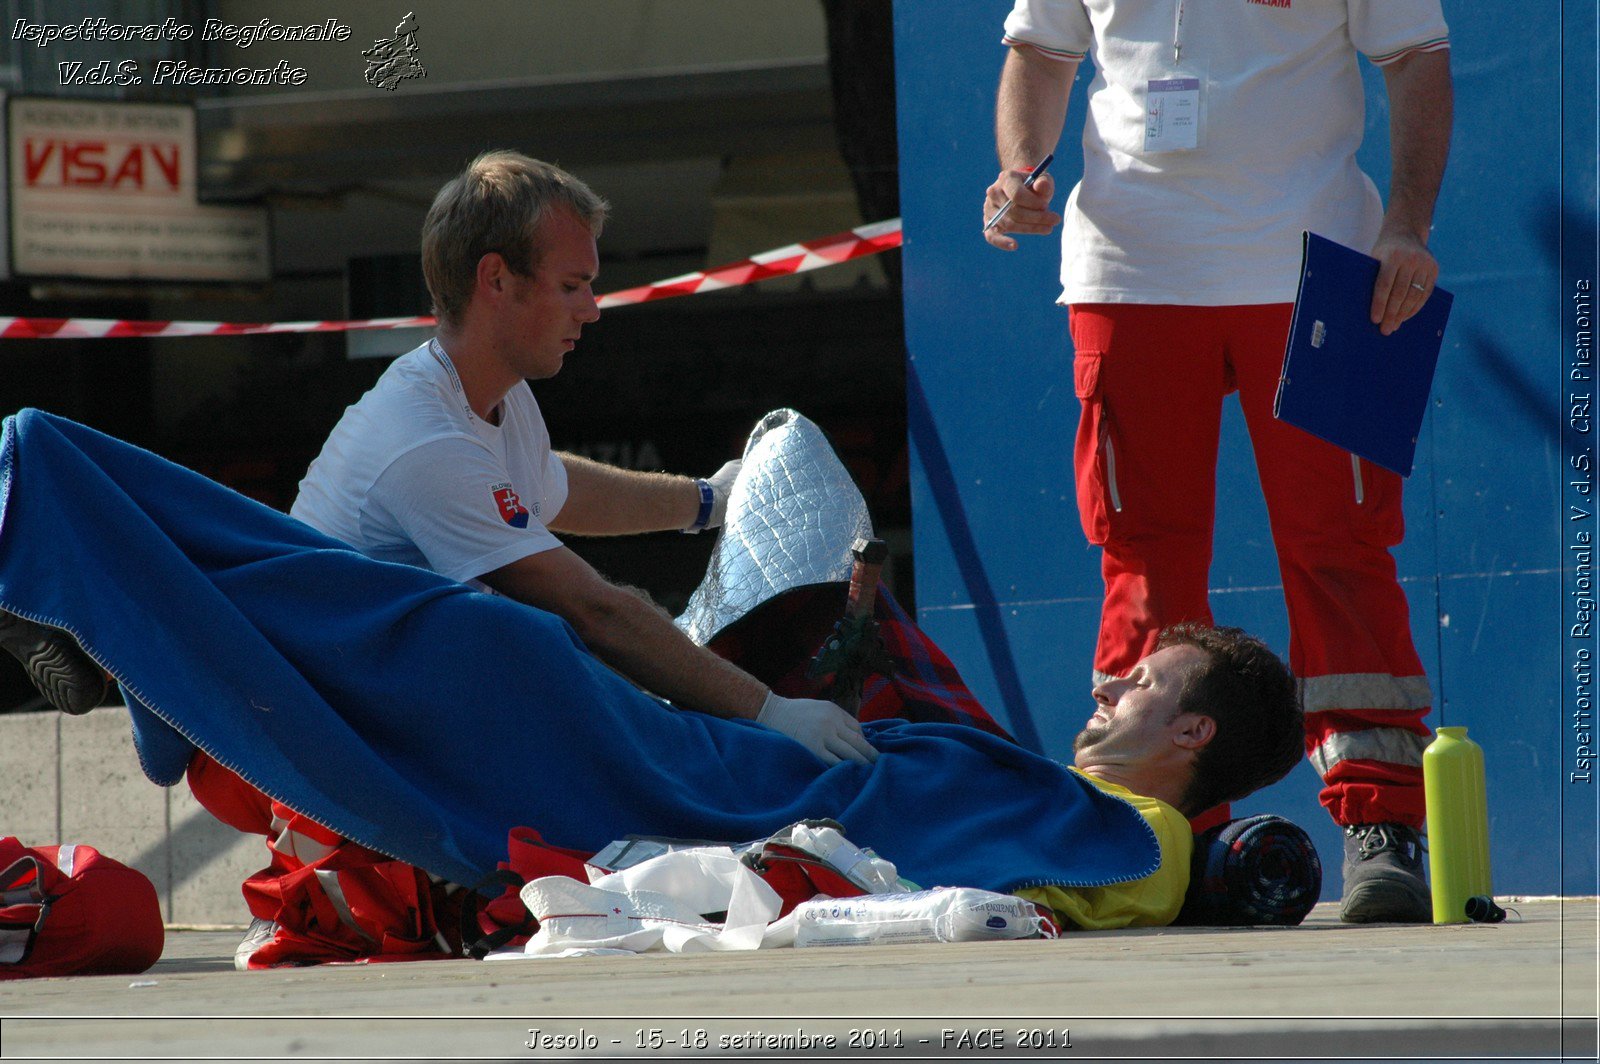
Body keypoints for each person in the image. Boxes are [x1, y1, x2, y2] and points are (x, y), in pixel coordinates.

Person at [982, 1, 1453, 923]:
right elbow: (1038, 50)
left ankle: (1382, 825)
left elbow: (1418, 60)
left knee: (1342, 551)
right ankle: (1153, 835)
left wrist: (1406, 225)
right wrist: (1020, 167)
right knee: (1142, 560)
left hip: (1330, 266)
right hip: (1127, 270)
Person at [288, 149, 873, 768]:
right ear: (496, 280)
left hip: (382, 725)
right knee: (551, 646)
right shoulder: (428, 443)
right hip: (350, 751)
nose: (591, 309)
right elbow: (592, 610)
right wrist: (770, 711)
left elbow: (556, 485)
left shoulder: (490, 395)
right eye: (571, 286)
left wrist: (710, 501)